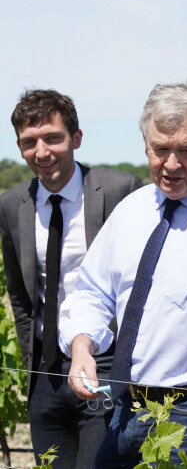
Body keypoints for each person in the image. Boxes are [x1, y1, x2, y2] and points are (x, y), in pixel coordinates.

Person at [60, 81, 187, 469]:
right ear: (145, 146)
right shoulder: (132, 209)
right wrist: (82, 345)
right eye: (159, 149)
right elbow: (93, 290)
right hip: (124, 405)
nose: (171, 164)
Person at [0, 89, 142, 468]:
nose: (42, 152)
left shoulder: (119, 191)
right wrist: (35, 364)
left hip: (106, 364)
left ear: (76, 139)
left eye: (53, 138)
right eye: (29, 143)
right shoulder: (13, 204)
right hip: (44, 375)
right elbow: (19, 295)